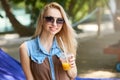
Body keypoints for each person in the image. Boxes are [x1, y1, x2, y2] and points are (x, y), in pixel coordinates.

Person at [19, 2, 77, 80]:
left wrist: (70, 66)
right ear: (42, 20)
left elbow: (72, 75)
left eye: (59, 20)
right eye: (50, 19)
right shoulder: (25, 48)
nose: (54, 24)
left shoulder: (66, 44)